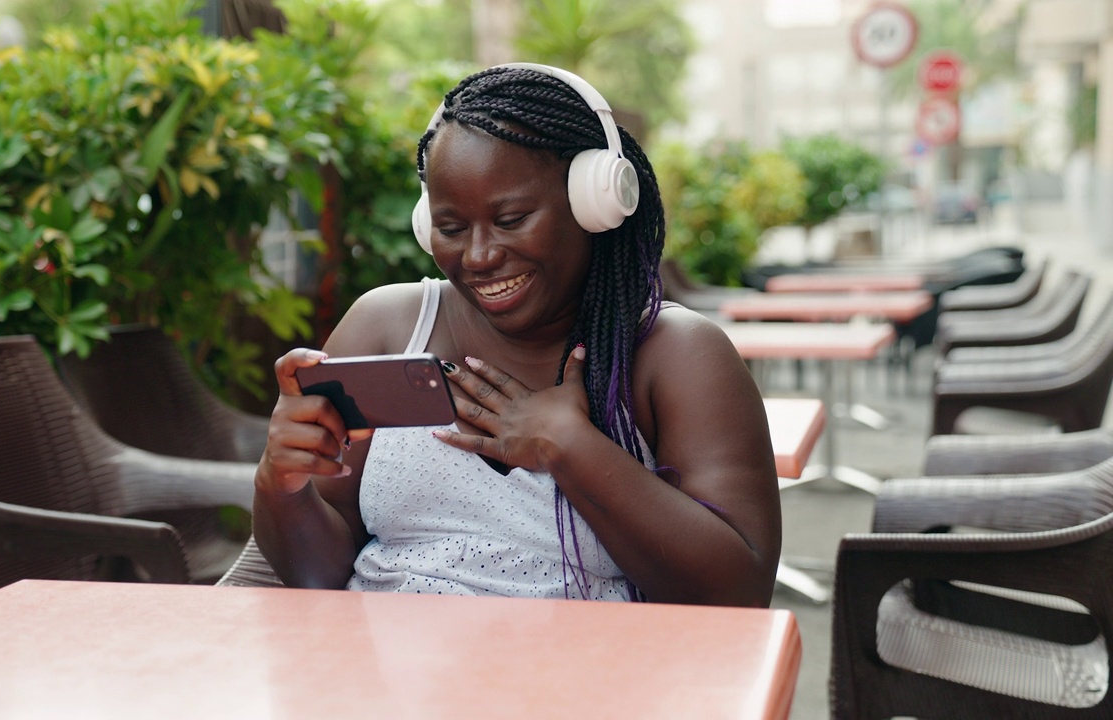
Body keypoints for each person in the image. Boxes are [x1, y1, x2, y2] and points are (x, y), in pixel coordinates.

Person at [252, 63, 780, 606]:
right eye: (452, 229)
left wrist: (572, 450)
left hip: (589, 682)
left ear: (592, 203)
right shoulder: (387, 327)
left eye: (511, 219)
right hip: (379, 677)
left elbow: (739, 593)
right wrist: (282, 485)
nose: (479, 255)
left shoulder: (675, 354)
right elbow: (316, 578)